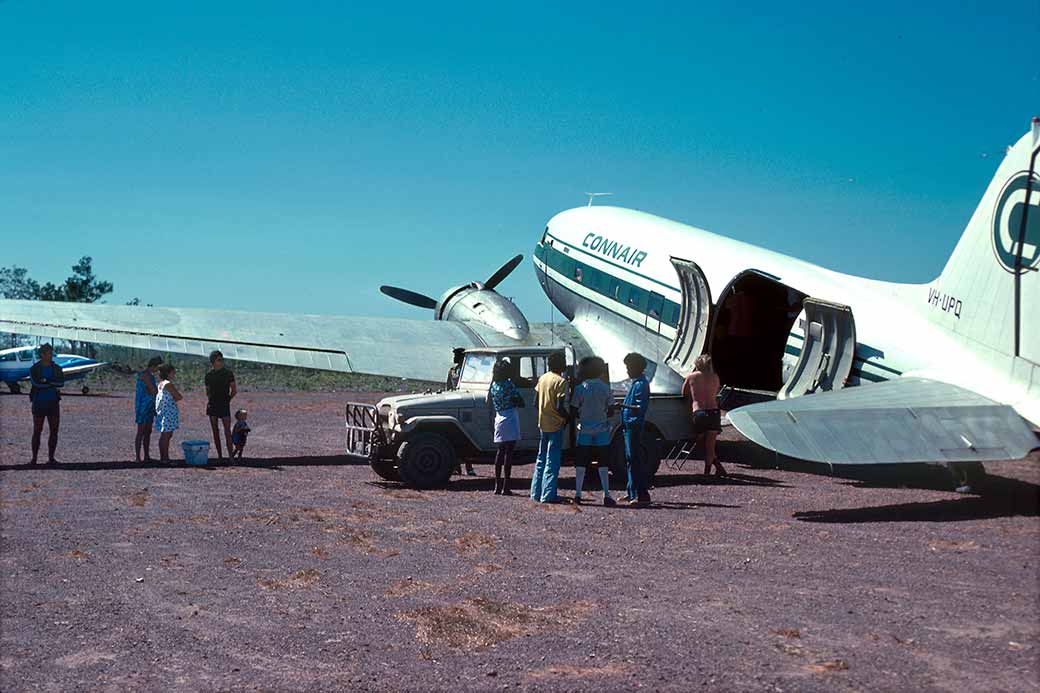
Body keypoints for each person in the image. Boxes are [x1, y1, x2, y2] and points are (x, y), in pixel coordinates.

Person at [570, 356, 615, 506]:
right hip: (602, 429)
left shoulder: (579, 389)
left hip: (584, 430)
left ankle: (577, 494)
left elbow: (574, 409)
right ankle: (606, 495)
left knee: (581, 462)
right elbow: (611, 411)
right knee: (603, 463)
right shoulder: (605, 388)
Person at [530, 351, 569, 503]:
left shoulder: (543, 378)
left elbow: (535, 402)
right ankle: (548, 495)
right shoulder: (561, 382)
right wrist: (568, 417)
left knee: (540, 459)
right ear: (561, 364)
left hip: (543, 423)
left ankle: (535, 492)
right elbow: (560, 407)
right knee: (552, 461)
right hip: (555, 425)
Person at [682, 354, 726, 477]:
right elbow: (715, 393)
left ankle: (714, 469)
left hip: (699, 412)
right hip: (713, 412)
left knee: (700, 442)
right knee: (710, 445)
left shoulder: (691, 377)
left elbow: (684, 393)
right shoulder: (715, 377)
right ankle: (710, 471)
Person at [485, 358, 524, 495]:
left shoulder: (494, 385)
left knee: (500, 452)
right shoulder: (509, 385)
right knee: (509, 454)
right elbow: (520, 401)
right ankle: (506, 486)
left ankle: (497, 485)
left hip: (499, 417)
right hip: (511, 417)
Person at [620, 352, 651, 506]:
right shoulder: (636, 382)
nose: (627, 370)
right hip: (628, 425)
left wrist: (622, 405)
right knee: (630, 459)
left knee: (635, 459)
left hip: (634, 424)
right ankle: (631, 492)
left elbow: (640, 407)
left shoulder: (641, 384)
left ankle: (642, 494)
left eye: (629, 367)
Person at [29, 344, 64, 465]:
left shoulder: (57, 368)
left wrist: (46, 382)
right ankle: (34, 459)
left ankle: (51, 458)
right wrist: (51, 383)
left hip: (53, 403)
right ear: (42, 355)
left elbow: (61, 384)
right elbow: (36, 384)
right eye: (48, 353)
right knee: (37, 430)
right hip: (39, 402)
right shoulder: (34, 369)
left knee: (54, 431)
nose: (50, 355)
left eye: (51, 352)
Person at [204, 350, 237, 459]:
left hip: (223, 405)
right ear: (213, 361)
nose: (221, 361)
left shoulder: (228, 373)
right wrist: (211, 399)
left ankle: (230, 456)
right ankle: (220, 456)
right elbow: (207, 391)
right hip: (213, 404)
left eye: (222, 359)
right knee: (215, 431)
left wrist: (228, 400)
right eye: (219, 360)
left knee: (227, 431)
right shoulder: (208, 375)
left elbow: (234, 390)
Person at [134, 356, 163, 462]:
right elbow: (153, 390)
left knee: (147, 432)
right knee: (141, 431)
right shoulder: (145, 375)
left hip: (149, 406)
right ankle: (138, 457)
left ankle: (146, 456)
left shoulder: (149, 375)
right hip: (143, 407)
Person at [155, 363, 183, 463]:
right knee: (166, 436)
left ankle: (163, 457)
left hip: (164, 412)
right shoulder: (167, 384)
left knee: (165, 435)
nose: (174, 374)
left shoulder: (161, 384)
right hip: (168, 413)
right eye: (173, 372)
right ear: (168, 373)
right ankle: (165, 458)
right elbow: (178, 396)